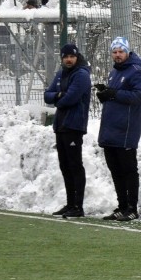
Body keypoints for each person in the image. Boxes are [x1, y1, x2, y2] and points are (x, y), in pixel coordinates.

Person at [95, 37, 141, 222]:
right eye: (114, 52)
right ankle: (122, 205)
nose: (117, 55)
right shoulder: (114, 73)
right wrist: (106, 94)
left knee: (128, 169)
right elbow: (117, 95)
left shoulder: (136, 72)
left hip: (126, 130)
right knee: (115, 169)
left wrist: (114, 93)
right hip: (110, 128)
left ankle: (132, 208)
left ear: (127, 52)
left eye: (121, 51)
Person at [44, 43, 91, 218]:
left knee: (74, 165)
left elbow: (70, 99)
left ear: (76, 57)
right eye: (66, 57)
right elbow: (47, 94)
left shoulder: (82, 75)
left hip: (74, 125)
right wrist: (58, 95)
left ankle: (78, 206)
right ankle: (70, 203)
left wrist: (59, 97)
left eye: (71, 56)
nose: (69, 59)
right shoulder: (61, 73)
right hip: (61, 126)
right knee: (65, 166)